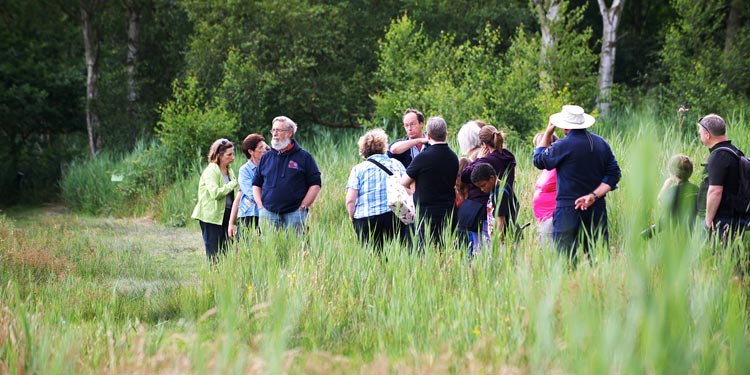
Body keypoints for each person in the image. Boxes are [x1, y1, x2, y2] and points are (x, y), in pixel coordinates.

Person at [533, 105, 621, 260]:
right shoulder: (601, 144)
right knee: (598, 256)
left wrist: (547, 133)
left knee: (565, 259)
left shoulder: (562, 146)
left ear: (565, 126)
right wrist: (593, 196)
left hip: (568, 208)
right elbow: (614, 174)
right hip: (596, 207)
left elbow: (539, 160)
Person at [252, 116, 322, 234]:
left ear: (290, 133)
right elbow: (256, 184)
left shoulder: (304, 157)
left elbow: (315, 184)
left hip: (294, 214)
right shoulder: (266, 157)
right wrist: (260, 206)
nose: (275, 134)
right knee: (270, 251)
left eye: (278, 130)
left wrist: (302, 207)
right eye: (273, 130)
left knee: (296, 250)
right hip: (268, 214)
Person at [346, 129, 408, 251]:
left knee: (373, 257)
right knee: (398, 253)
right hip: (394, 214)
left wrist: (352, 216)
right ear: (384, 146)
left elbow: (350, 200)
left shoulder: (358, 169)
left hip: (366, 218)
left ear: (363, 149)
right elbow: (407, 188)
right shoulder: (396, 164)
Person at [401, 116, 459, 248]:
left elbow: (404, 181)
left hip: (426, 214)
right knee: (446, 249)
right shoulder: (453, 157)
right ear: (446, 134)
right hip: (449, 212)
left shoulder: (422, 157)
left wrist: (413, 188)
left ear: (428, 135)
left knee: (426, 250)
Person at [460, 125, 517, 251]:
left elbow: (465, 176)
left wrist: (478, 159)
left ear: (484, 145)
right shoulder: (509, 156)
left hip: (483, 210)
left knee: (482, 248)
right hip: (505, 203)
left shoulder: (485, 161)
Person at [697, 113, 749, 238]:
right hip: (733, 217)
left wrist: (708, 221)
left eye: (700, 133)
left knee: (719, 255)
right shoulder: (734, 151)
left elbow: (715, 191)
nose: (700, 136)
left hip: (722, 221)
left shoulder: (718, 156)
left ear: (707, 135)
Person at [191, 138, 239, 263]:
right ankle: (213, 279)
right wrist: (232, 184)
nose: (233, 157)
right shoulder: (211, 170)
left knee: (226, 251)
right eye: (229, 154)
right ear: (219, 155)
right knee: (213, 253)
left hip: (226, 215)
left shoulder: (229, 170)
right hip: (211, 217)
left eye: (233, 153)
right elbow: (215, 193)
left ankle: (224, 278)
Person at [228, 133, 269, 239]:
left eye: (265, 147)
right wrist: (231, 223)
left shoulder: (269, 166)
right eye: (261, 148)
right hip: (250, 214)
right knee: (246, 248)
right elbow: (251, 194)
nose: (264, 150)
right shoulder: (245, 170)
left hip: (267, 213)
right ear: (251, 152)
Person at [470, 163, 519, 245]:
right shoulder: (500, 188)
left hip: (506, 240)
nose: (482, 189)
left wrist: (498, 241)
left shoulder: (499, 193)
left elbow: (500, 222)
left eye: (483, 185)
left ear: (492, 178)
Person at [532, 132, 559, 247]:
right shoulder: (546, 168)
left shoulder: (557, 165)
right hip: (543, 219)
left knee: (551, 252)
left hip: (551, 217)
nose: (536, 151)